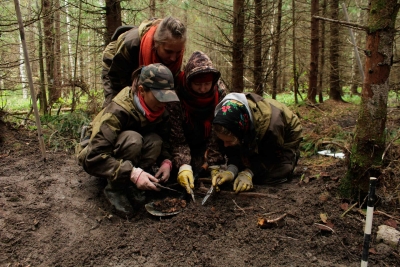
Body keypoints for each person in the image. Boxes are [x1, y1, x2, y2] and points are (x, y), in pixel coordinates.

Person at [77, 63, 179, 218]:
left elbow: (163, 140)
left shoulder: (159, 111)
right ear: (142, 91)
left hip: (126, 153)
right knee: (133, 140)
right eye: (159, 97)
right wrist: (132, 172)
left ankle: (132, 186)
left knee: (155, 141)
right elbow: (93, 157)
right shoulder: (118, 111)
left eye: (167, 97)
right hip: (95, 153)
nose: (163, 103)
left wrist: (166, 161)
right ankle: (115, 188)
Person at [210, 93, 303, 193]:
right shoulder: (225, 122)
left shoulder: (271, 128)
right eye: (223, 140)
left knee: (274, 174)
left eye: (228, 141)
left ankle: (291, 157)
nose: (225, 144)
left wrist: (249, 173)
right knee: (241, 158)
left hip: (285, 137)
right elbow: (233, 149)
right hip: (250, 133)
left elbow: (271, 156)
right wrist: (231, 170)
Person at [166, 51, 226, 194]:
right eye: (198, 84)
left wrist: (214, 163)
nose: (203, 89)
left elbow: (217, 129)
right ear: (189, 81)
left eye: (207, 84)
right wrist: (183, 165)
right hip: (184, 139)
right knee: (178, 173)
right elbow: (176, 134)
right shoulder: (176, 94)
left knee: (202, 170)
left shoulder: (220, 93)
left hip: (206, 142)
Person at [102, 16, 186, 107]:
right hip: (117, 63)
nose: (173, 58)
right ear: (156, 43)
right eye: (168, 51)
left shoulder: (175, 47)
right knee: (116, 105)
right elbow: (116, 83)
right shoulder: (131, 45)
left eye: (178, 52)